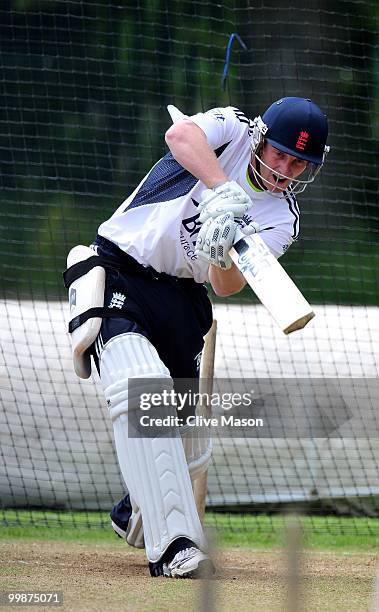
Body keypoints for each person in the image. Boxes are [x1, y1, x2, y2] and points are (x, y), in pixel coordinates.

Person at [67, 96, 329, 578]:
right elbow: (179, 136)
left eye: (299, 163)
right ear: (262, 139)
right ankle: (175, 549)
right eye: (281, 154)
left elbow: (225, 285)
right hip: (120, 267)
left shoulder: (282, 219)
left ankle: (137, 508)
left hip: (182, 298)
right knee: (139, 389)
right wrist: (221, 188)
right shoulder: (231, 129)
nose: (286, 170)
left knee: (180, 422)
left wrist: (223, 250)